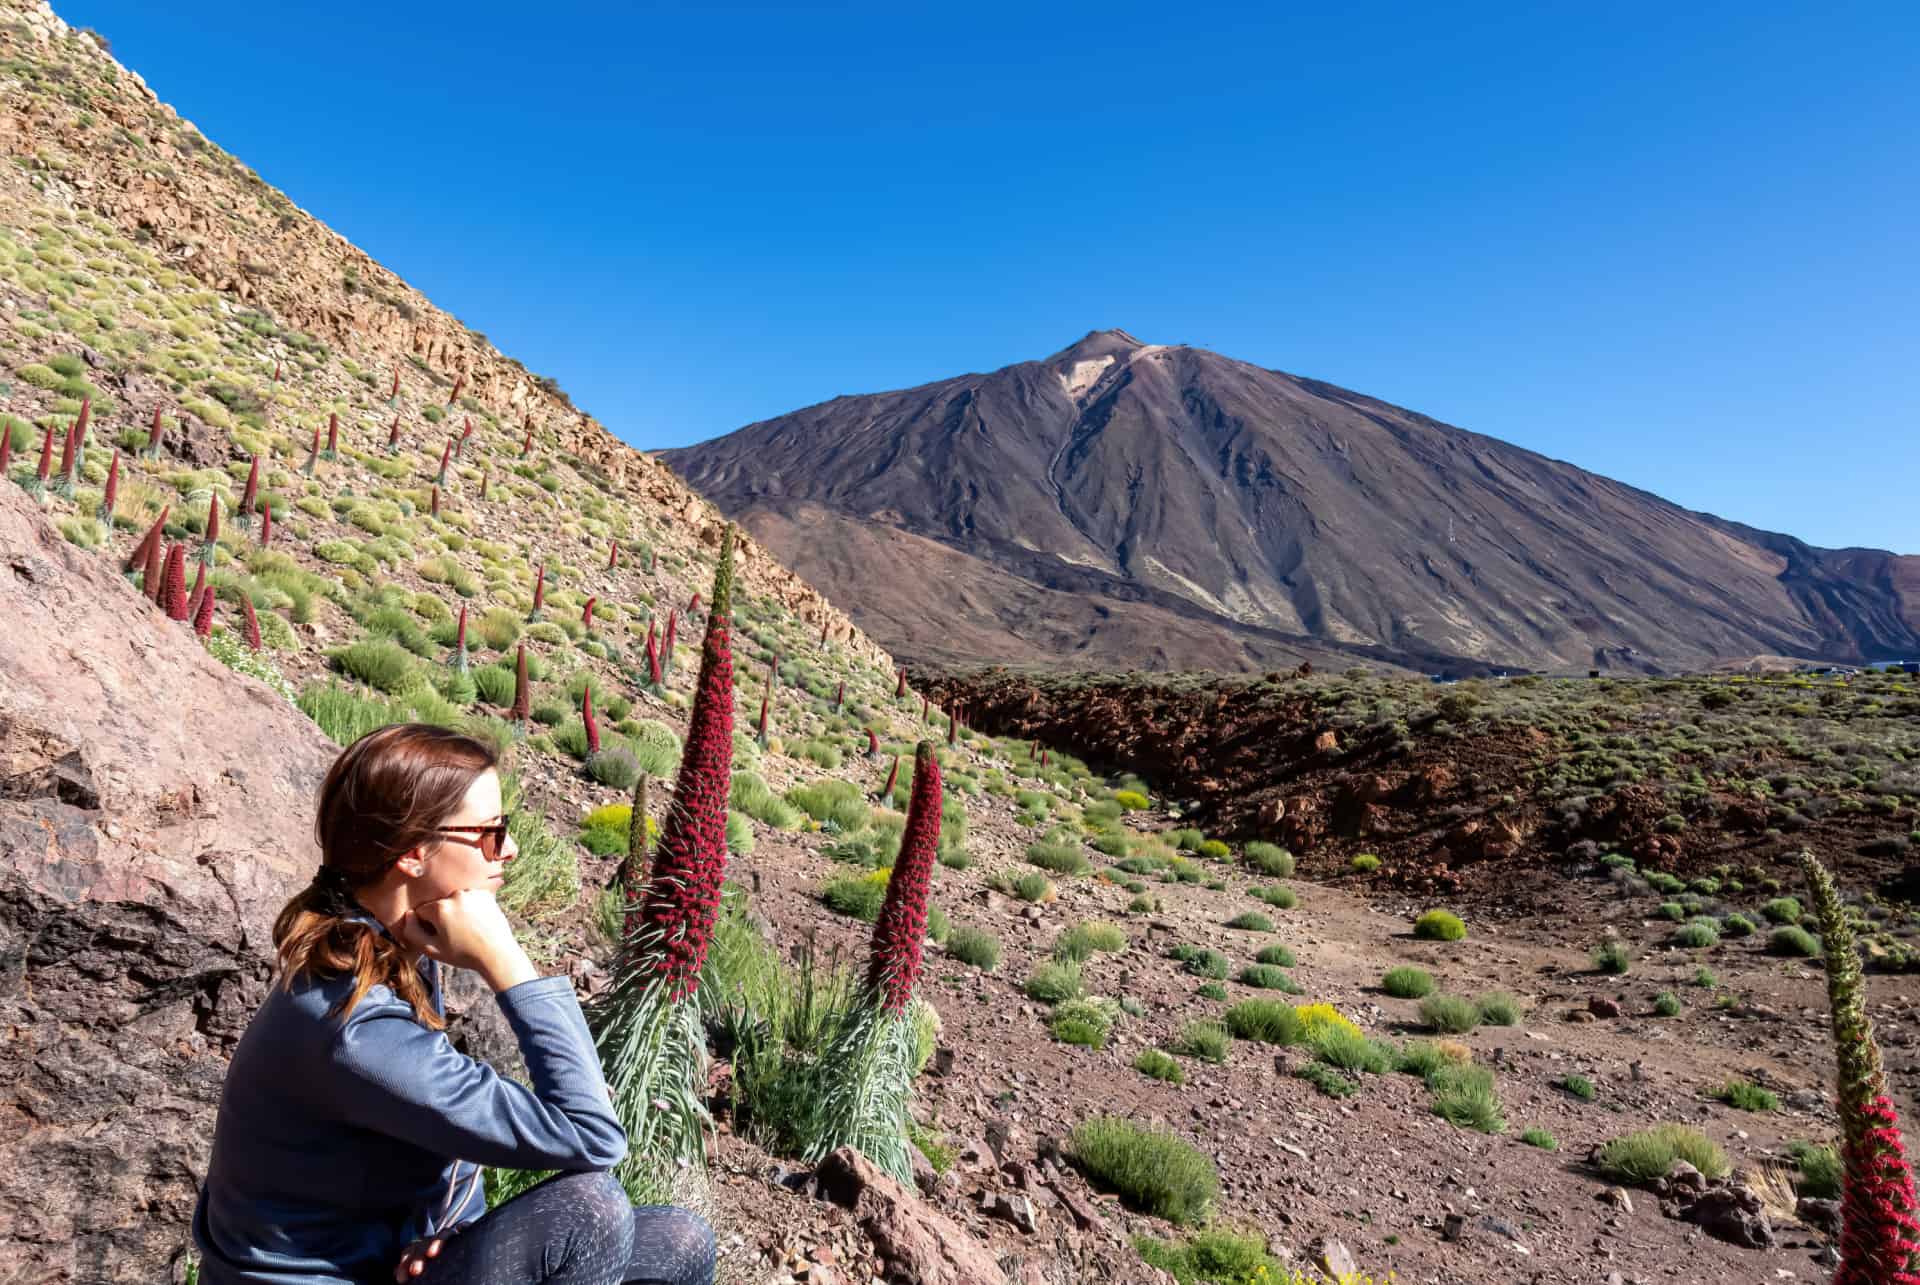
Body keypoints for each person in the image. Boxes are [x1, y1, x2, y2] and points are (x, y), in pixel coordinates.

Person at [191, 723, 716, 1285]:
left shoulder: (388, 949)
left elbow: (436, 1124)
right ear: (416, 852)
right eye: (492, 832)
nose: (509, 849)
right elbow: (594, 1137)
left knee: (680, 1240)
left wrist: (451, 1227)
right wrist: (509, 963)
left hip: (387, 1264)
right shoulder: (354, 1023)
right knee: (590, 1210)